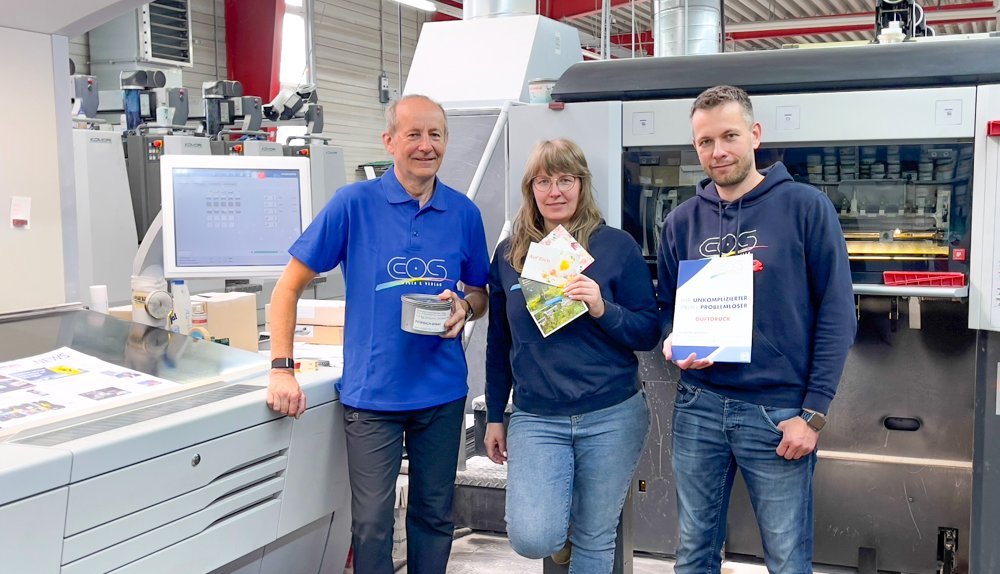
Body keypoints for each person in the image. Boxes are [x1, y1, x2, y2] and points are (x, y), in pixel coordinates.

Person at [267, 94, 490, 574]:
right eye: (414, 134)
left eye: (436, 135)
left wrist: (465, 307)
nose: (425, 145)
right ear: (389, 141)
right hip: (373, 398)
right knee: (370, 525)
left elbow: (481, 292)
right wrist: (281, 369)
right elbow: (286, 289)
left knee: (434, 517)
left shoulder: (464, 214)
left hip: (442, 393)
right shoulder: (354, 205)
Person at [656, 85, 856, 573]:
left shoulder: (806, 208)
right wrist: (671, 340)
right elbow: (668, 306)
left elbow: (837, 313)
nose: (717, 151)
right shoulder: (681, 221)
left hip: (778, 413)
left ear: (755, 135)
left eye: (729, 136)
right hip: (698, 405)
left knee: (787, 559)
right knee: (692, 554)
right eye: (705, 142)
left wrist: (813, 414)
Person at [484, 139, 660, 572]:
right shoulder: (510, 256)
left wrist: (603, 309)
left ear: (581, 185)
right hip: (537, 416)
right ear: (531, 188)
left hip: (611, 413)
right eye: (544, 181)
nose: (555, 191)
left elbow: (648, 332)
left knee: (596, 539)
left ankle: (579, 535)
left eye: (566, 180)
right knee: (533, 536)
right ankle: (561, 530)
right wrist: (493, 414)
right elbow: (498, 342)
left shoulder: (615, 247)